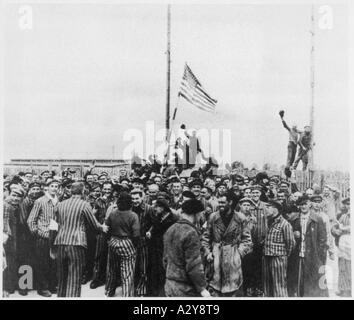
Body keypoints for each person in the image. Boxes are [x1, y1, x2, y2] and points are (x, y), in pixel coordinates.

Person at [54, 182, 108, 297]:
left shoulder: (60, 204)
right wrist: (102, 227)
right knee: (75, 275)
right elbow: (94, 224)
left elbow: (55, 224)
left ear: (70, 191)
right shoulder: (84, 204)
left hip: (60, 242)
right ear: (83, 192)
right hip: (76, 243)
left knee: (62, 277)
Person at [202, 194, 252, 297]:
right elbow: (205, 238)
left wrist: (239, 253)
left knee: (233, 286)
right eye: (219, 202)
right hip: (216, 255)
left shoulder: (240, 218)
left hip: (233, 256)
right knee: (215, 286)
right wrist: (208, 253)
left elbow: (247, 240)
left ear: (230, 203)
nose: (220, 205)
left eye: (223, 203)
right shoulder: (213, 217)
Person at [163, 199, 210, 297]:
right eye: (201, 214)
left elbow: (165, 260)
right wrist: (202, 288)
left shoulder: (170, 229)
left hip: (169, 284)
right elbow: (194, 265)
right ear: (196, 214)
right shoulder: (191, 232)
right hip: (185, 288)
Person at [288, 195, 328, 297]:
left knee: (312, 282)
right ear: (298, 206)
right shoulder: (293, 218)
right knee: (298, 281)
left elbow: (322, 240)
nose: (303, 206)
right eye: (301, 204)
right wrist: (293, 234)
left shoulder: (317, 219)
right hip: (297, 255)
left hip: (312, 256)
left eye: (305, 204)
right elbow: (288, 236)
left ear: (309, 204)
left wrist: (319, 256)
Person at [27, 179, 60, 297]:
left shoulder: (59, 201)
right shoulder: (40, 201)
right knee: (42, 263)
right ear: (47, 187)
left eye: (56, 186)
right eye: (52, 186)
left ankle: (52, 285)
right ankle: (42, 287)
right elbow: (31, 220)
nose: (54, 188)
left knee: (53, 262)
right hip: (43, 237)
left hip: (55, 236)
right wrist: (38, 233)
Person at [104, 192, 140, 297]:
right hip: (127, 242)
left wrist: (109, 240)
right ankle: (126, 295)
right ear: (130, 203)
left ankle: (109, 291)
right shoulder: (133, 215)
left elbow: (106, 229)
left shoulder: (112, 213)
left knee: (111, 269)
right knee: (127, 273)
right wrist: (135, 245)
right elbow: (136, 234)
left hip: (113, 241)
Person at [145, 199, 178, 296]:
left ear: (163, 208)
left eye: (156, 206)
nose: (154, 209)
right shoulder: (158, 216)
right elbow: (154, 226)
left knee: (163, 271)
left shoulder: (173, 219)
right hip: (155, 248)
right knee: (154, 271)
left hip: (166, 249)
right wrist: (150, 232)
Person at [263, 200, 295, 297]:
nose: (266, 209)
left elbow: (291, 244)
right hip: (266, 257)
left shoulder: (285, 224)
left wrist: (283, 256)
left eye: (268, 207)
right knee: (267, 284)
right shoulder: (267, 221)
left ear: (275, 209)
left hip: (278, 258)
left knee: (279, 285)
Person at [131, 188, 154, 296]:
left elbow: (155, 223)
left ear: (142, 198)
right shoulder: (130, 208)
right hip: (131, 241)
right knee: (133, 266)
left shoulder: (149, 209)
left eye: (137, 198)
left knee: (143, 266)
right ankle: (133, 288)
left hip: (144, 241)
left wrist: (150, 231)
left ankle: (142, 290)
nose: (135, 201)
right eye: (133, 198)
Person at [90, 182, 114, 289]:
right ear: (102, 189)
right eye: (105, 188)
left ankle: (110, 279)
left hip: (113, 231)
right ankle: (97, 279)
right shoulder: (98, 201)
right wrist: (100, 225)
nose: (107, 191)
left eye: (109, 189)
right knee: (99, 255)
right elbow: (92, 216)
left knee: (111, 256)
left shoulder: (115, 200)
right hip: (101, 231)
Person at [3, 186, 25, 297]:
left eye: (18, 196)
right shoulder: (5, 206)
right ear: (10, 194)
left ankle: (15, 285)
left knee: (15, 261)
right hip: (8, 237)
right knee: (7, 262)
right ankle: (7, 287)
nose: (15, 198)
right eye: (14, 195)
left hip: (18, 237)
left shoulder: (19, 207)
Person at [249, 185, 268, 296]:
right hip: (250, 242)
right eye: (253, 193)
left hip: (262, 242)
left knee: (261, 266)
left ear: (260, 194)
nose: (255, 195)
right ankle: (251, 287)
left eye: (257, 193)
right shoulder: (247, 206)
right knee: (250, 265)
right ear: (250, 194)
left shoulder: (265, 207)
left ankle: (260, 287)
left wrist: (265, 238)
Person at [331, 197, 351, 297]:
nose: (349, 206)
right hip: (343, 244)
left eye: (351, 204)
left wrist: (344, 228)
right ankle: (343, 288)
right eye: (347, 204)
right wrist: (336, 231)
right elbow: (334, 227)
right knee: (343, 265)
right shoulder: (342, 216)